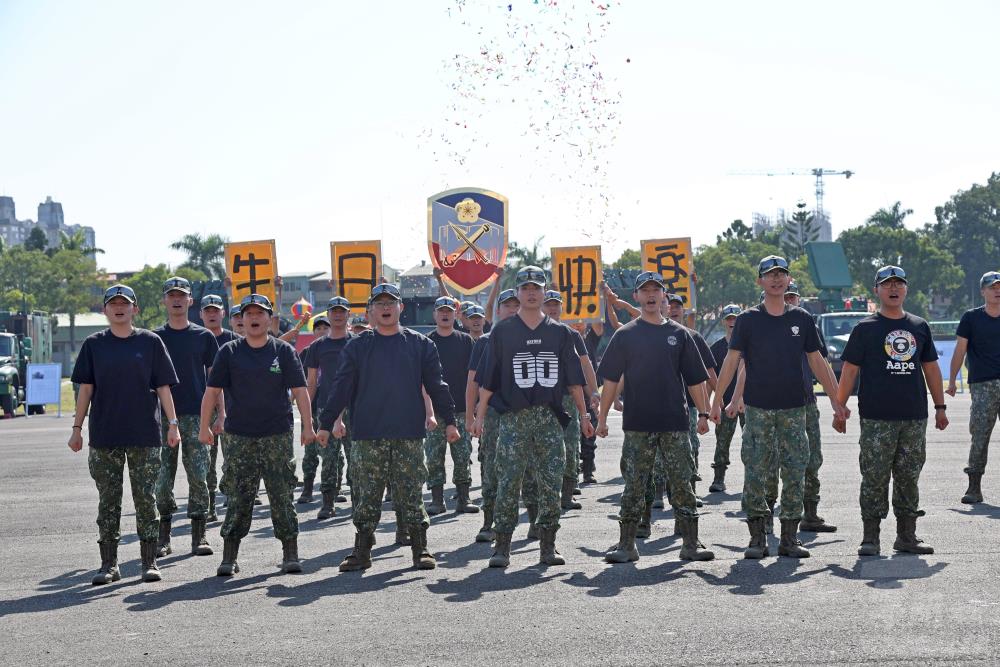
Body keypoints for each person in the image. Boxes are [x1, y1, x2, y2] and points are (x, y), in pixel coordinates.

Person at [712, 255, 848, 559]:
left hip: (794, 410)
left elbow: (818, 361)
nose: (776, 279)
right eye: (770, 275)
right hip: (758, 411)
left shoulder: (801, 318)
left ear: (788, 280)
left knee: (795, 471)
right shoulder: (748, 320)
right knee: (757, 473)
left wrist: (837, 400)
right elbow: (732, 362)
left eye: (781, 274)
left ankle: (789, 538)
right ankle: (757, 538)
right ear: (760, 281)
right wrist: (717, 400)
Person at [317, 283, 459, 572]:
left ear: (400, 308)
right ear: (370, 310)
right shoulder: (357, 346)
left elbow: (437, 386)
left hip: (407, 433)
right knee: (367, 494)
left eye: (390, 303)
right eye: (379, 304)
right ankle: (362, 551)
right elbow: (341, 387)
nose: (385, 308)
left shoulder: (421, 345)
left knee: (410, 493)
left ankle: (420, 549)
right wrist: (326, 422)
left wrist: (451, 421)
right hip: (368, 433)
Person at [471, 266, 595, 568]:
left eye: (536, 287)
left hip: (549, 419)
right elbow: (488, 379)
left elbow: (574, 381)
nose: (530, 292)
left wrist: (584, 415)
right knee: (508, 482)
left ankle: (548, 545)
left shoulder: (562, 333)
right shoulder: (502, 331)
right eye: (525, 287)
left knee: (550, 483)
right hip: (513, 419)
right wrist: (479, 416)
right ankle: (502, 546)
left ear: (544, 292)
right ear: (516, 293)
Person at [596, 272, 713, 563]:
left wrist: (704, 413)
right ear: (636, 296)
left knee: (682, 482)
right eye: (644, 290)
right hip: (638, 424)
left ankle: (691, 543)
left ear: (664, 296)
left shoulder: (680, 334)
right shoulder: (626, 335)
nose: (650, 295)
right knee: (634, 484)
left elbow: (695, 379)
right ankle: (626, 544)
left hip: (674, 423)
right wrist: (601, 419)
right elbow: (610, 380)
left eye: (655, 290)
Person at [69, 284, 180, 584]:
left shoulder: (151, 342)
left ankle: (149, 562)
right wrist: (77, 429)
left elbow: (163, 387)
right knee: (108, 500)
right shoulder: (94, 345)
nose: (119, 308)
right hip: (105, 434)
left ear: (135, 309)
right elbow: (85, 390)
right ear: (104, 310)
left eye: (125, 303)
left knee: (146, 498)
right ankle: (109, 565)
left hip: (144, 433)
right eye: (113, 303)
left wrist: (173, 424)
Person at [834, 266, 948, 556]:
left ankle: (906, 535)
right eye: (887, 284)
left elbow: (931, 369)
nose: (893, 289)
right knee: (874, 476)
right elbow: (849, 370)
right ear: (877, 290)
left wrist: (940, 407)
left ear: (906, 289)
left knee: (909, 476)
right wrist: (839, 406)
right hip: (876, 417)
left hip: (913, 416)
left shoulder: (919, 326)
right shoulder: (865, 328)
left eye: (899, 284)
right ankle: (870, 537)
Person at [199, 294, 315, 576]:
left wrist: (307, 426)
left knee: (281, 494)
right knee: (238, 496)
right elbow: (212, 392)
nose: (253, 318)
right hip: (239, 436)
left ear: (269, 318)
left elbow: (300, 391)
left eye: (259, 313)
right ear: (241, 318)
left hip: (276, 435)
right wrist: (204, 426)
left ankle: (290, 554)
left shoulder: (283, 351)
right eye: (248, 313)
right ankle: (229, 557)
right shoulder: (228, 351)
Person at [153, 277, 221, 558]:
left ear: (190, 301)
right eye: (172, 295)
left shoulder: (203, 337)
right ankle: (163, 536)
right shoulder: (155, 338)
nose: (177, 299)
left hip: (197, 415)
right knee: (162, 478)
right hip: (163, 418)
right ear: (165, 301)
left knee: (199, 476)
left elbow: (216, 381)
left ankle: (199, 534)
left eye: (182, 295)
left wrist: (221, 415)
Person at [781, 282, 838, 532]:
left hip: (807, 401)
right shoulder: (761, 324)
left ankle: (810, 514)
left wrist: (837, 397)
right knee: (775, 462)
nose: (790, 300)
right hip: (773, 405)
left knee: (813, 458)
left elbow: (822, 362)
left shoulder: (808, 326)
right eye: (786, 296)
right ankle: (772, 518)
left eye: (793, 296)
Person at [538, 289, 600, 515]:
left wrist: (593, 392)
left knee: (571, 445)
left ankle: (566, 493)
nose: (552, 308)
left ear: (562, 308)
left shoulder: (571, 334)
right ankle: (542, 494)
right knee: (541, 449)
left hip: (568, 397)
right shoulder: (534, 331)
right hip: (541, 399)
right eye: (548, 304)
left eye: (556, 304)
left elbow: (585, 365)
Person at [466, 291, 520, 544]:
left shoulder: (536, 338)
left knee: (528, 469)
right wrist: (470, 417)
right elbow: (473, 383)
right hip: (494, 415)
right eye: (506, 305)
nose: (511, 309)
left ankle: (535, 520)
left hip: (524, 414)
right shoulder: (484, 342)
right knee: (490, 468)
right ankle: (489, 522)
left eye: (515, 305)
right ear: (498, 310)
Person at [948, 270, 1000, 504]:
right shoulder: (971, 318)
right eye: (992, 287)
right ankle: (974, 487)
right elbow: (960, 350)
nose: (997, 290)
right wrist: (951, 381)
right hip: (982, 384)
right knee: (979, 434)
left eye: (999, 286)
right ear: (983, 291)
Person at [425, 296, 478, 515]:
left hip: (462, 408)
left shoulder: (466, 341)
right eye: (441, 311)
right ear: (435, 315)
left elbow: (474, 377)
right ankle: (437, 500)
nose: (445, 314)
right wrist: (428, 412)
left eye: (449, 311)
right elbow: (422, 380)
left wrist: (472, 410)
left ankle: (463, 499)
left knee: (463, 455)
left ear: (456, 314)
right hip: (436, 411)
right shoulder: (426, 342)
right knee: (434, 456)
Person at [199, 294, 239, 521]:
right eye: (208, 311)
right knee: (207, 460)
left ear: (223, 313)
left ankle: (233, 501)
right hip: (206, 409)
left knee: (233, 459)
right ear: (201, 314)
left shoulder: (235, 341)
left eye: (216, 310)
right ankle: (210, 504)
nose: (212, 314)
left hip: (233, 408)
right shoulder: (197, 339)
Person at [708, 304, 744, 493]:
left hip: (748, 403)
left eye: (735, 318)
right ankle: (718, 479)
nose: (732, 322)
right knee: (722, 442)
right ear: (723, 321)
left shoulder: (749, 344)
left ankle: (753, 479)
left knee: (753, 442)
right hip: (725, 403)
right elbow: (709, 376)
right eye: (729, 318)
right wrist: (708, 405)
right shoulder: (717, 348)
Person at [297, 315, 330, 506]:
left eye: (325, 327)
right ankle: (308, 488)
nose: (321, 331)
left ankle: (332, 488)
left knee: (332, 451)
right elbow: (301, 382)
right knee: (310, 450)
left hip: (329, 406)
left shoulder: (337, 348)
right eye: (318, 328)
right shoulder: (306, 353)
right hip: (312, 404)